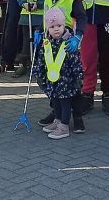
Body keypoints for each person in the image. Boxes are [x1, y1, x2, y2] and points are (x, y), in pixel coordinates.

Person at [33, 7, 86, 140]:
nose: (56, 29)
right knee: (55, 102)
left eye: (59, 26)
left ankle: (64, 126)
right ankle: (57, 120)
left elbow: (76, 62)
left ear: (64, 25)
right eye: (52, 27)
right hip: (53, 81)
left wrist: (79, 78)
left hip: (66, 82)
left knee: (65, 104)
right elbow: (42, 59)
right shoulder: (47, 42)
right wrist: (38, 73)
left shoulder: (68, 43)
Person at [9, 0, 50, 77]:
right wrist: (23, 4)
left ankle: (39, 65)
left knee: (40, 41)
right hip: (26, 15)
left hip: (40, 16)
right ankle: (23, 65)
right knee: (26, 41)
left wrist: (39, 4)